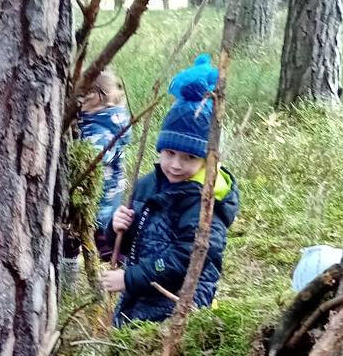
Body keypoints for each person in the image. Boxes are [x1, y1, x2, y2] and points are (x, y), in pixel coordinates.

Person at [99, 55, 239, 325]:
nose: (175, 165)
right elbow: (131, 243)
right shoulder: (147, 185)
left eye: (189, 157)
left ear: (207, 160)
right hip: (139, 300)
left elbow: (187, 259)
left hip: (178, 306)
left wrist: (129, 279)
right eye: (170, 153)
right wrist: (116, 228)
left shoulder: (205, 201)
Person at [78, 69, 131, 239]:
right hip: (104, 208)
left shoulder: (99, 130)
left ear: (94, 96)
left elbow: (89, 163)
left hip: (99, 213)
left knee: (93, 242)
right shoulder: (107, 124)